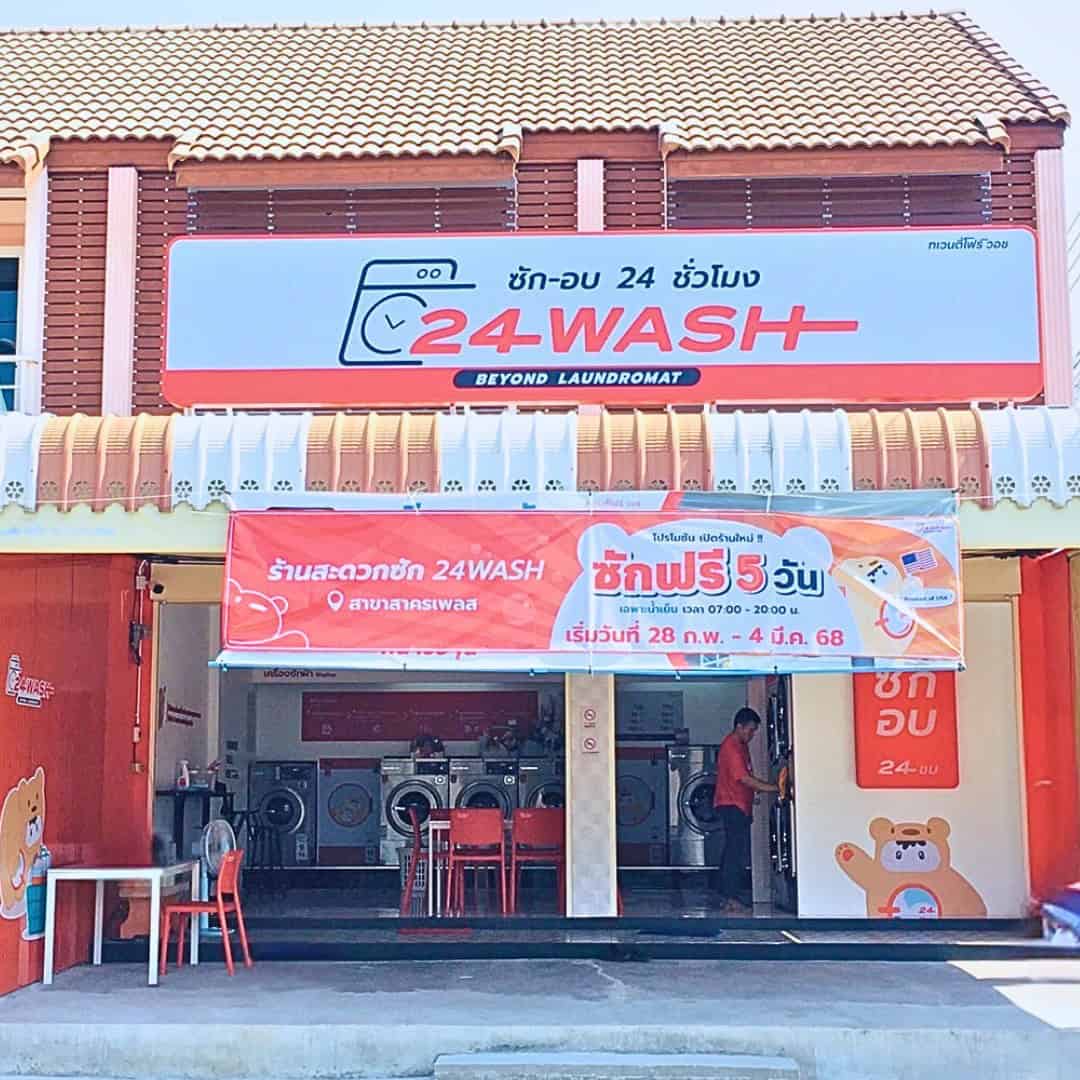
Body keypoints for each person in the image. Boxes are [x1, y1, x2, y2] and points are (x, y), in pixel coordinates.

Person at [712, 706, 779, 915]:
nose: (752, 735)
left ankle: (727, 896)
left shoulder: (741, 746)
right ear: (739, 726)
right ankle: (730, 898)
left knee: (734, 851)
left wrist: (755, 794)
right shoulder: (731, 747)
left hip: (739, 804)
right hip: (732, 805)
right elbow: (744, 778)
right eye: (750, 730)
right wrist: (774, 788)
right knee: (735, 853)